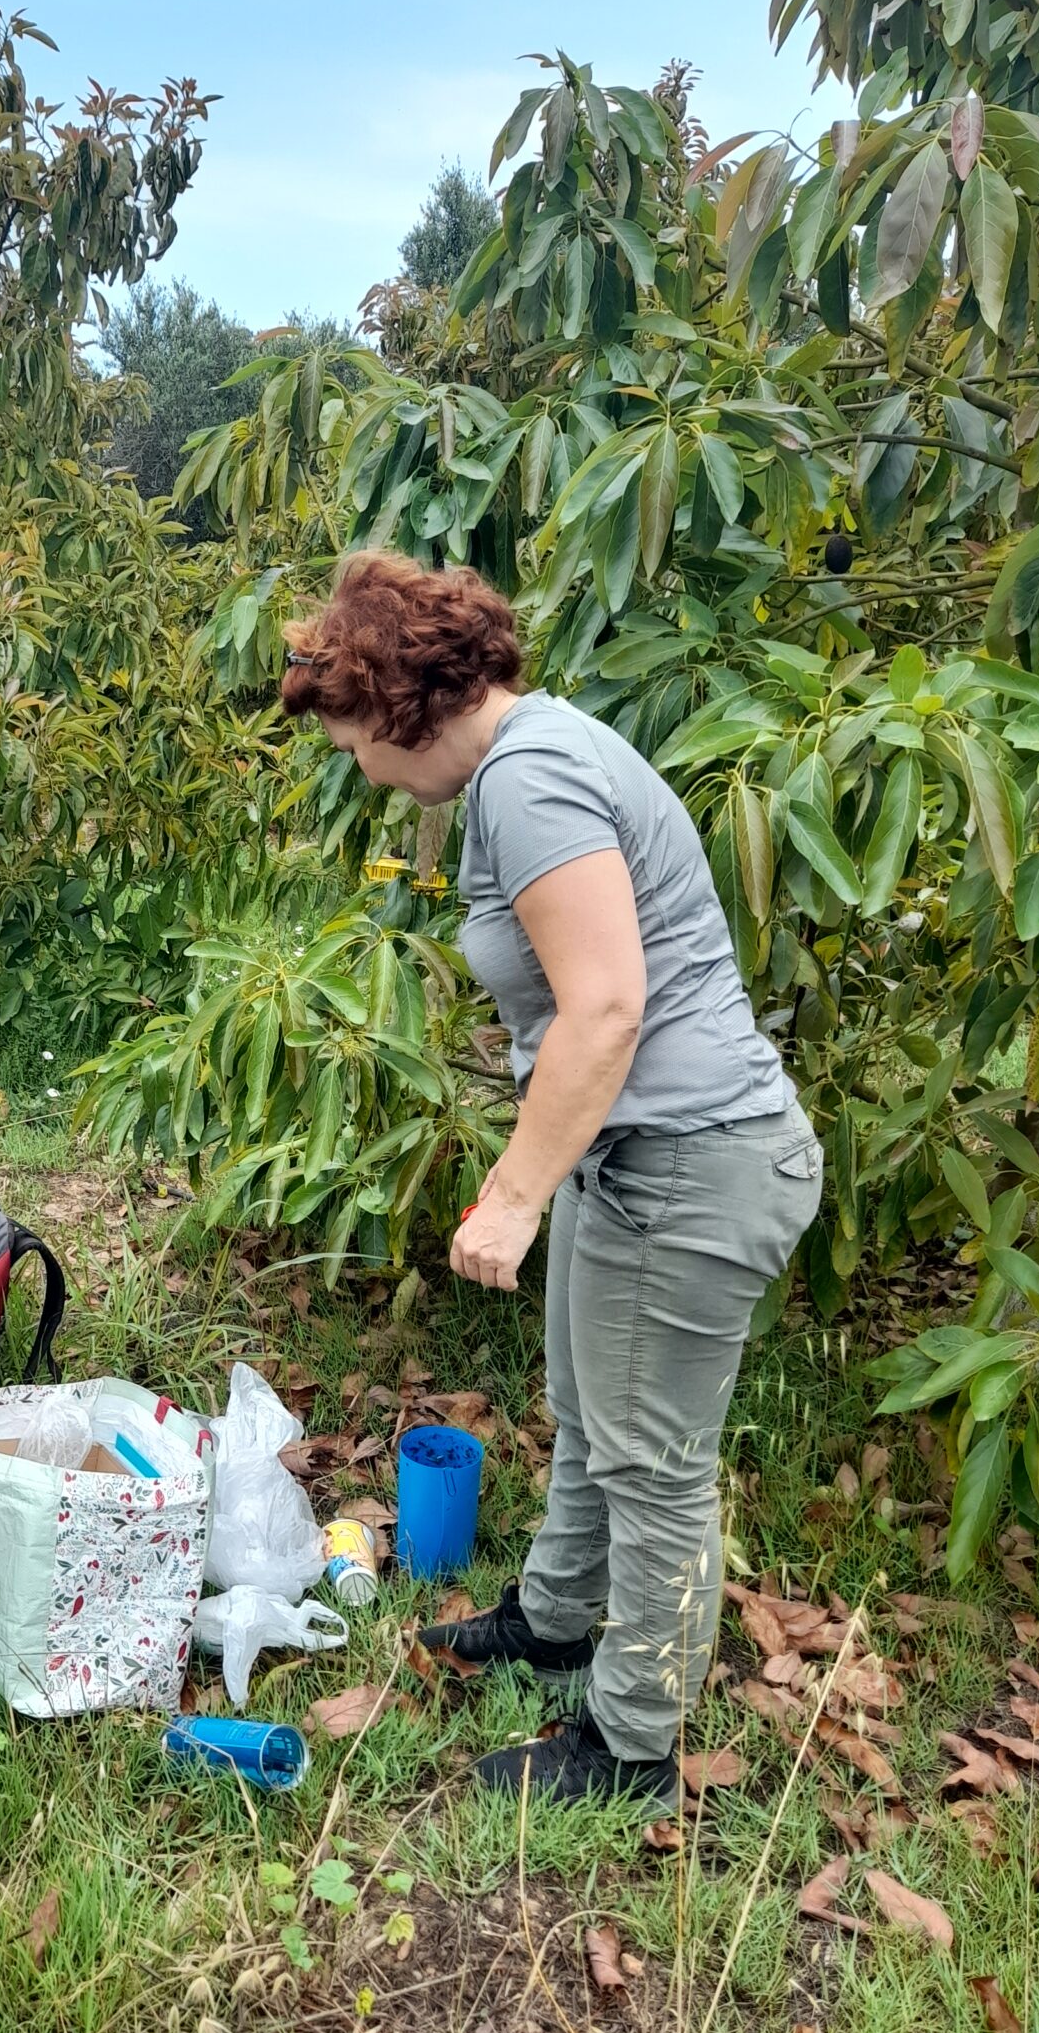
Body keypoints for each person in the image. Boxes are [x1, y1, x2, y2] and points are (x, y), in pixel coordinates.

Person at [280, 551, 822, 1804]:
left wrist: (516, 1193)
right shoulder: (531, 762)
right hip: (633, 1153)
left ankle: (630, 1741)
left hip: (691, 1162)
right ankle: (559, 1617)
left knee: (654, 1461)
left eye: (356, 737)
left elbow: (609, 1009)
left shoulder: (528, 781)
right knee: (590, 1408)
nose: (359, 768)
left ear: (402, 703)